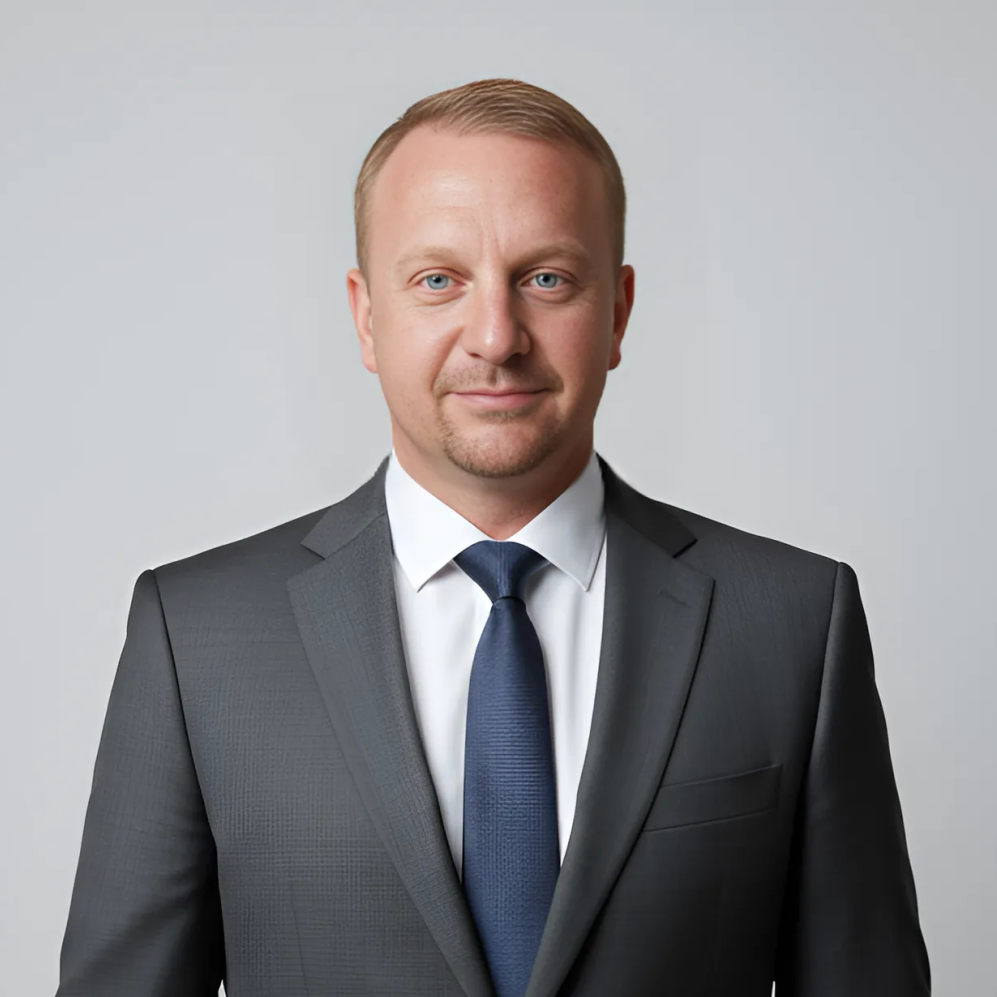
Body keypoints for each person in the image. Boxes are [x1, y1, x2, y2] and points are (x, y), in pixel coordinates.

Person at [55, 78, 930, 997]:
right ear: (365, 316)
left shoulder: (794, 622)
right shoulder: (196, 635)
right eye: (438, 280)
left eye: (545, 278)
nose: (496, 335)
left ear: (619, 312)